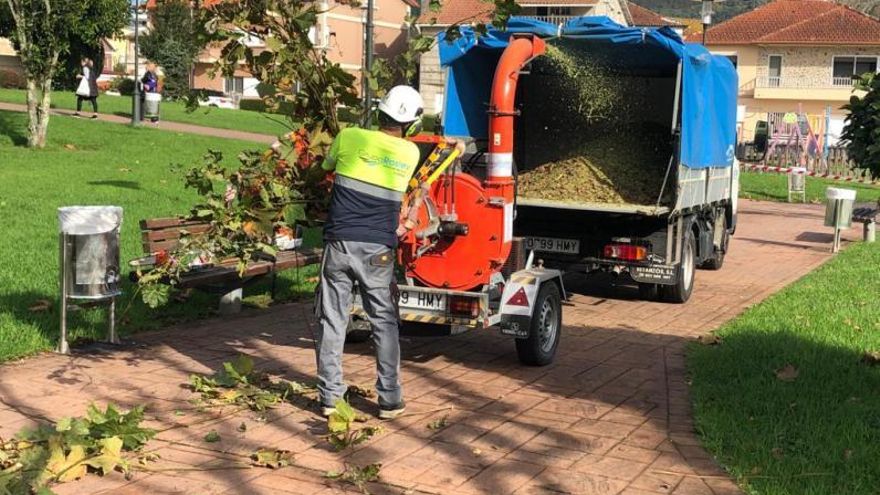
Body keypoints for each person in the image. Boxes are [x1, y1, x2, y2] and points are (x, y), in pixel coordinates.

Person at [315, 85, 424, 420]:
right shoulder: (410, 155)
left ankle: (331, 397)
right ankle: (390, 400)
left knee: (332, 319)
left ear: (380, 112)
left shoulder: (348, 136)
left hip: (340, 243)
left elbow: (325, 168)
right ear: (411, 125)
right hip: (378, 249)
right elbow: (411, 189)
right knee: (384, 323)